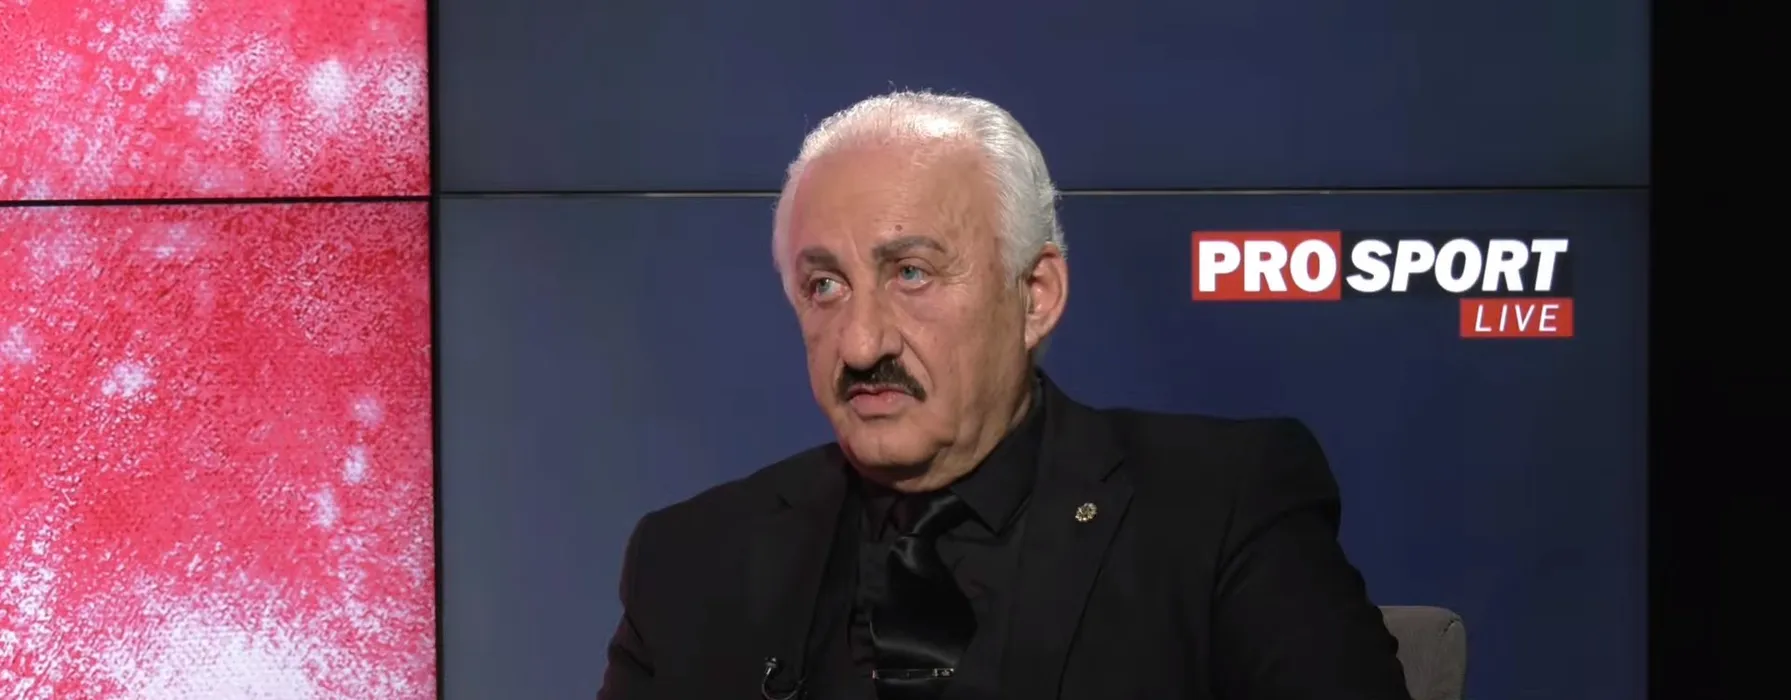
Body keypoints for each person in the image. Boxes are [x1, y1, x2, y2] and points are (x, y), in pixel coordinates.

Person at [597, 91, 1412, 700]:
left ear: (1035, 296)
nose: (861, 344)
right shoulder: (692, 560)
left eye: (910, 273)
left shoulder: (1216, 509)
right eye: (824, 287)